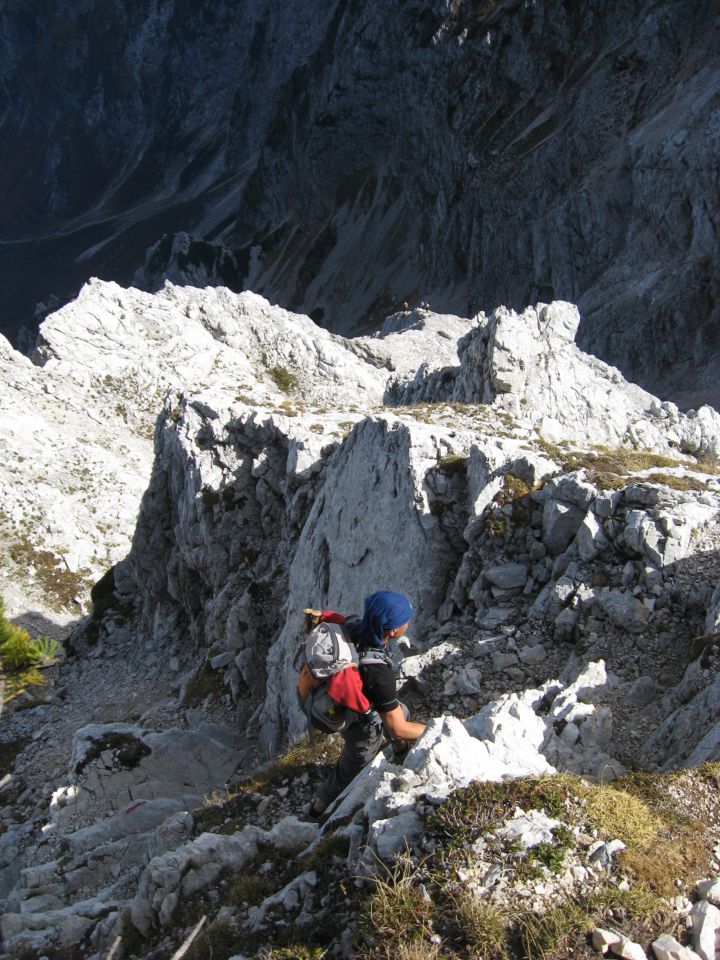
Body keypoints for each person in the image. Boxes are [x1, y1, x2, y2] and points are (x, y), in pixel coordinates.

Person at [303, 590, 426, 821]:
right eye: (404, 620)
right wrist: (438, 729)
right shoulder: (378, 673)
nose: (407, 623)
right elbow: (398, 727)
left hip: (360, 702)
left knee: (403, 710)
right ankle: (315, 811)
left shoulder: (353, 624)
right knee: (351, 768)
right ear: (393, 631)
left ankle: (400, 751)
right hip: (361, 726)